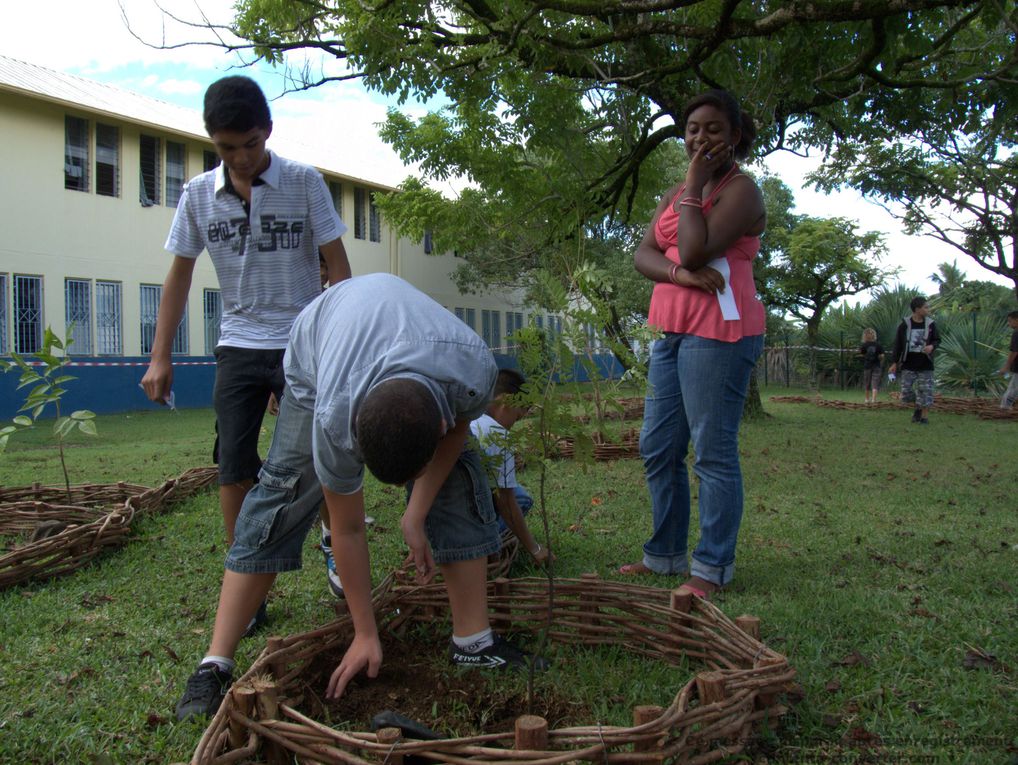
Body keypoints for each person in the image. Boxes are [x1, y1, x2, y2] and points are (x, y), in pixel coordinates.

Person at [174, 274, 548, 721]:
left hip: (417, 345)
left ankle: (474, 642)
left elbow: (457, 433)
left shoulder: (473, 371)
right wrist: (365, 632)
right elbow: (347, 529)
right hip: (318, 348)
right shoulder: (334, 416)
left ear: (439, 421)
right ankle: (214, 663)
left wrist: (417, 514)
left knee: (461, 476)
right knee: (283, 494)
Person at [141, 76, 351, 580]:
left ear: (268, 132)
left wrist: (340, 345)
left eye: (250, 145)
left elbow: (339, 270)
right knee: (232, 462)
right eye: (226, 148)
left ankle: (334, 545)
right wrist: (159, 355)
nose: (239, 157)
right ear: (213, 141)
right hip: (237, 344)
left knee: (318, 456)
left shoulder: (304, 182)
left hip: (303, 342)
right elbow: (180, 275)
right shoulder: (197, 195)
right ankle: (244, 567)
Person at [621, 90, 766, 600]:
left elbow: (698, 244)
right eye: (692, 129)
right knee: (658, 446)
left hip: (721, 333)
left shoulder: (742, 191)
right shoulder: (676, 190)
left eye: (714, 129)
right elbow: (643, 255)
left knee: (712, 451)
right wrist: (680, 273)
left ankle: (711, 567)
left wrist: (695, 190)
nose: (701, 138)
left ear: (736, 134)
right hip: (671, 329)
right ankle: (664, 555)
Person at [470, 368, 552, 566]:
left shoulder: (466, 418)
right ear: (507, 401)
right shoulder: (497, 434)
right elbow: (505, 501)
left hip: (444, 516)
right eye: (517, 418)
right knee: (521, 499)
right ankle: (484, 542)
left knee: (517, 492)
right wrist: (535, 548)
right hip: (470, 521)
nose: (513, 426)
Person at [888, 296, 940, 425]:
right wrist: (894, 362)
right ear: (917, 309)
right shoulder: (904, 325)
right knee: (905, 393)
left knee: (926, 391)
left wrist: (931, 346)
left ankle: (924, 417)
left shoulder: (931, 324)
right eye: (925, 307)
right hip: (909, 363)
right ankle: (918, 406)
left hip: (926, 363)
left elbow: (937, 340)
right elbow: (898, 345)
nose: (928, 309)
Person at [858, 328, 885, 404]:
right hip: (877, 366)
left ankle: (867, 399)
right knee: (875, 383)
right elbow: (882, 355)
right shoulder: (878, 345)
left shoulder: (864, 345)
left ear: (865, 336)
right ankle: (873, 399)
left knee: (867, 383)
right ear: (874, 335)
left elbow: (861, 354)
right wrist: (879, 358)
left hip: (867, 366)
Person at [998, 310, 1018, 409]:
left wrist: (1006, 367)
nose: (1008, 323)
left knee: (1013, 388)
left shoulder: (1016, 333)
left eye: (1010, 321)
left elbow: (1014, 351)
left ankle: (1005, 408)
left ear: (1017, 320)